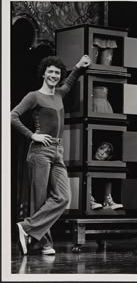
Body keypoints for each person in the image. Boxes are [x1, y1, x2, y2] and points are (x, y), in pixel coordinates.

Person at [11, 54, 91, 255]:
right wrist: (32, 136)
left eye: (57, 73)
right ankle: (43, 243)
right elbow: (12, 116)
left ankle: (27, 227)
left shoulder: (59, 94)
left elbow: (70, 81)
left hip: (57, 152)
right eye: (51, 72)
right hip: (40, 152)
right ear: (43, 73)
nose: (54, 75)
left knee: (63, 197)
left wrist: (79, 67)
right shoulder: (34, 96)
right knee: (40, 199)